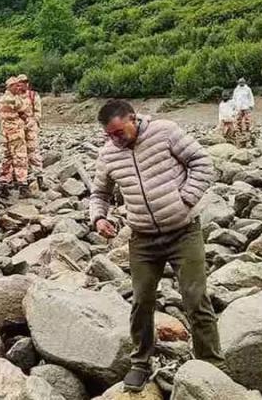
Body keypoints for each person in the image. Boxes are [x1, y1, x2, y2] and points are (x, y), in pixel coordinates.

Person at [89, 100, 223, 392]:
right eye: (109, 135)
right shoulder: (109, 154)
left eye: (119, 132)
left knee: (195, 297)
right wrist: (99, 218)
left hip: (183, 232)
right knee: (141, 301)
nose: (115, 139)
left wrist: (185, 199)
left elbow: (202, 162)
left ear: (133, 118)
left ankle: (211, 365)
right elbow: (99, 193)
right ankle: (140, 362)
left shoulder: (165, 131)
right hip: (143, 238)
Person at [0, 77, 30, 198]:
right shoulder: (13, 98)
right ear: (10, 86)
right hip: (15, 131)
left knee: (7, 157)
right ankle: (23, 186)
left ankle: (4, 184)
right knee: (20, 157)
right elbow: (24, 110)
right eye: (16, 86)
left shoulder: (2, 98)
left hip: (5, 131)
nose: (19, 88)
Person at [17, 74, 43, 188]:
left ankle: (39, 178)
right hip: (18, 129)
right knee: (20, 155)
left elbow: (38, 113)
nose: (25, 84)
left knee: (34, 153)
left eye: (26, 82)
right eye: (22, 82)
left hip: (31, 128)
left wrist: (31, 122)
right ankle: (24, 180)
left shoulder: (33, 95)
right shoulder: (14, 97)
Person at [232, 78, 255, 148]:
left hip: (246, 106)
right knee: (238, 120)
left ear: (244, 82)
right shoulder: (236, 90)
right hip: (238, 107)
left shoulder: (248, 89)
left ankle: (248, 131)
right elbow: (234, 98)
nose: (241, 83)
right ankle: (239, 132)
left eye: (242, 82)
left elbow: (251, 97)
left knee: (247, 120)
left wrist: (251, 105)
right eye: (240, 82)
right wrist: (234, 106)